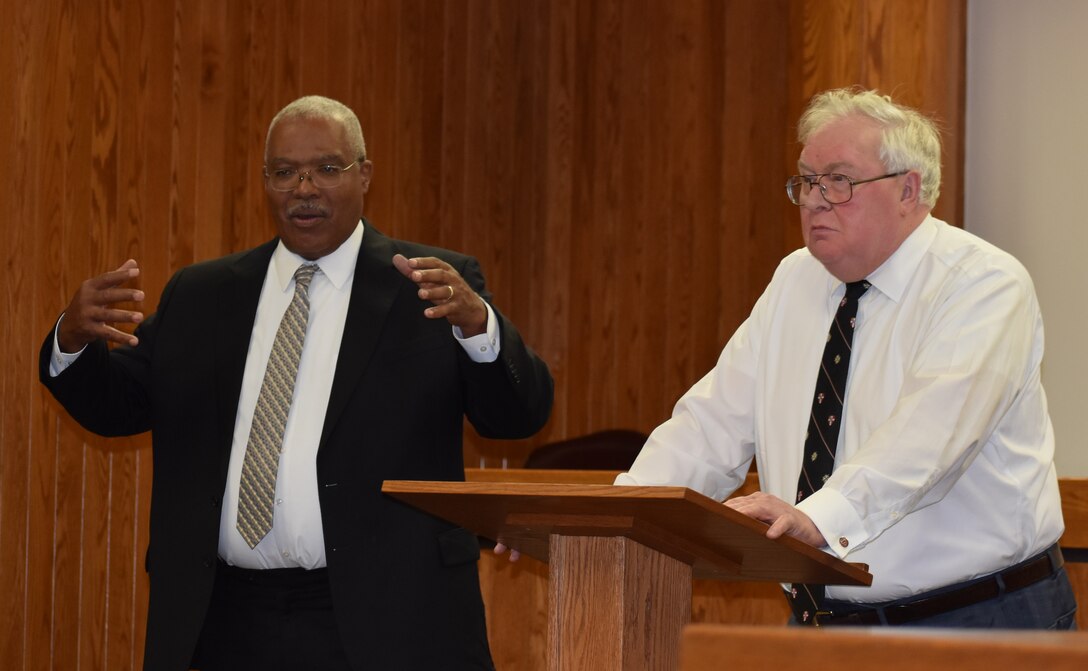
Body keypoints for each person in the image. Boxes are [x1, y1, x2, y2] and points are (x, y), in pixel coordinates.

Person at [39, 95, 553, 670]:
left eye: (327, 168)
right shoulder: (202, 294)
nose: (303, 188)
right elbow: (120, 407)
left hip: (384, 620)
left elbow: (517, 415)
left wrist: (479, 325)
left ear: (364, 175)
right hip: (222, 618)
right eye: (284, 172)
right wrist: (74, 340)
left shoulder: (430, 287)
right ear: (266, 182)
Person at [613, 88, 1076, 629]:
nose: (813, 200)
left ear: (909, 190)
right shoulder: (796, 279)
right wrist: (626, 515)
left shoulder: (981, 284)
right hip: (822, 623)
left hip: (973, 620)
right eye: (807, 180)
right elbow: (711, 423)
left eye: (839, 181)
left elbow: (928, 443)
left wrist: (816, 520)